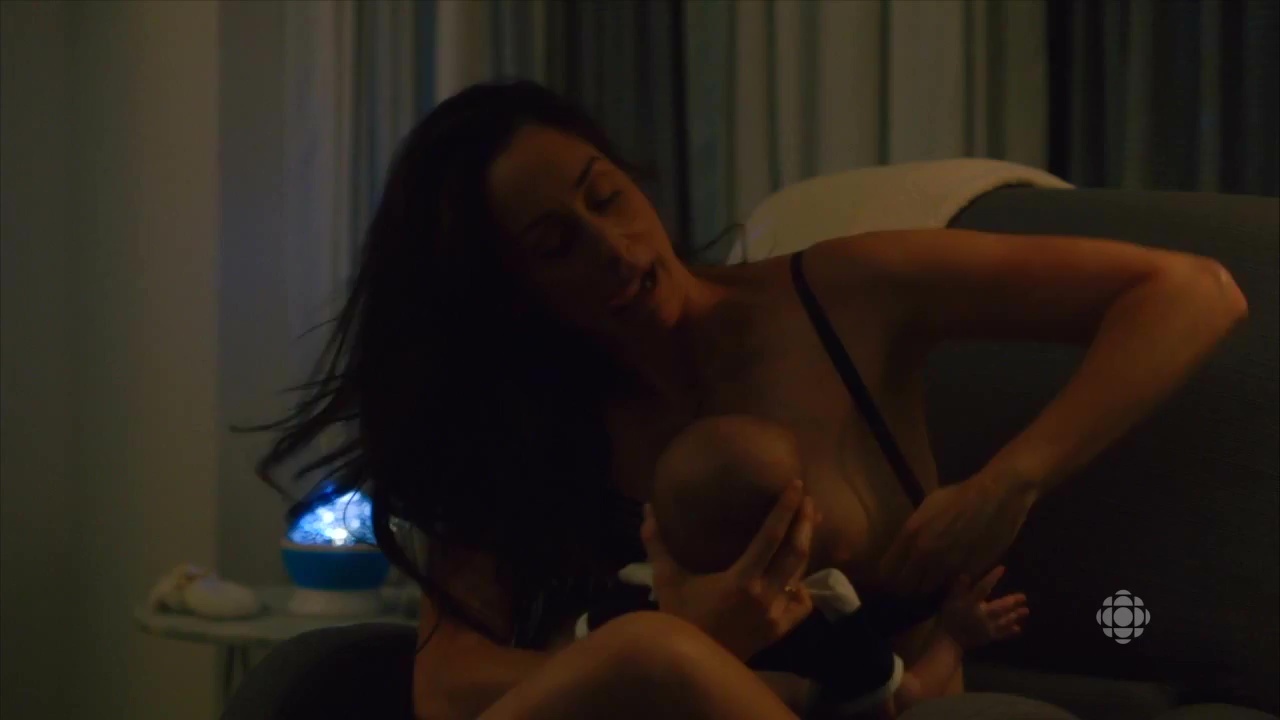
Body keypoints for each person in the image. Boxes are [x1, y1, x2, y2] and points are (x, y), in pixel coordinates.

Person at [253, 80, 1248, 720]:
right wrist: (687, 643)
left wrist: (1009, 481)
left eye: (605, 196)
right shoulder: (522, 423)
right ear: (510, 292)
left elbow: (1191, 293)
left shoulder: (841, 295)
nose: (613, 248)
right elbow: (449, 684)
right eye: (555, 246)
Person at [581, 413, 1030, 719]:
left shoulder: (620, 614)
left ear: (654, 523)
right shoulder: (825, 616)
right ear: (793, 530)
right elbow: (903, 699)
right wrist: (953, 639)